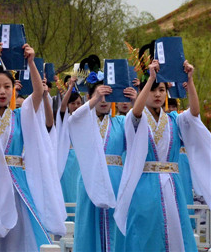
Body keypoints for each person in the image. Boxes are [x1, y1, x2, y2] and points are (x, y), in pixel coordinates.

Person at [0, 42, 66, 251]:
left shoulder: (21, 115)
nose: (2, 91)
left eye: (7, 87)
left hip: (17, 183)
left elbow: (37, 93)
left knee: (21, 237)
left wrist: (31, 63)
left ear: (13, 89)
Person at [114, 59, 211, 251]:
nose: (157, 94)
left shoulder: (175, 119)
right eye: (153, 90)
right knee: (145, 235)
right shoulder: (135, 120)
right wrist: (149, 79)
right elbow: (136, 112)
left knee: (176, 235)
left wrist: (190, 81)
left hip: (173, 187)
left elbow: (194, 113)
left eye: (161, 90)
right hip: (144, 186)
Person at [68, 79, 134, 252]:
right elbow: (73, 119)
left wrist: (136, 99)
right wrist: (93, 100)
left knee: (116, 224)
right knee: (89, 223)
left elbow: (139, 128)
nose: (103, 101)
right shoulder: (84, 123)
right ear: (90, 97)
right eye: (99, 96)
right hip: (90, 179)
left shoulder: (120, 122)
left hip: (116, 180)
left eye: (107, 96)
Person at [55, 76, 82, 221]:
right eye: (73, 103)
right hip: (65, 161)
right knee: (67, 191)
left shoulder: (85, 120)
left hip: (80, 162)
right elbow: (63, 107)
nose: (76, 106)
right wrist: (70, 87)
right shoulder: (64, 119)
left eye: (79, 103)